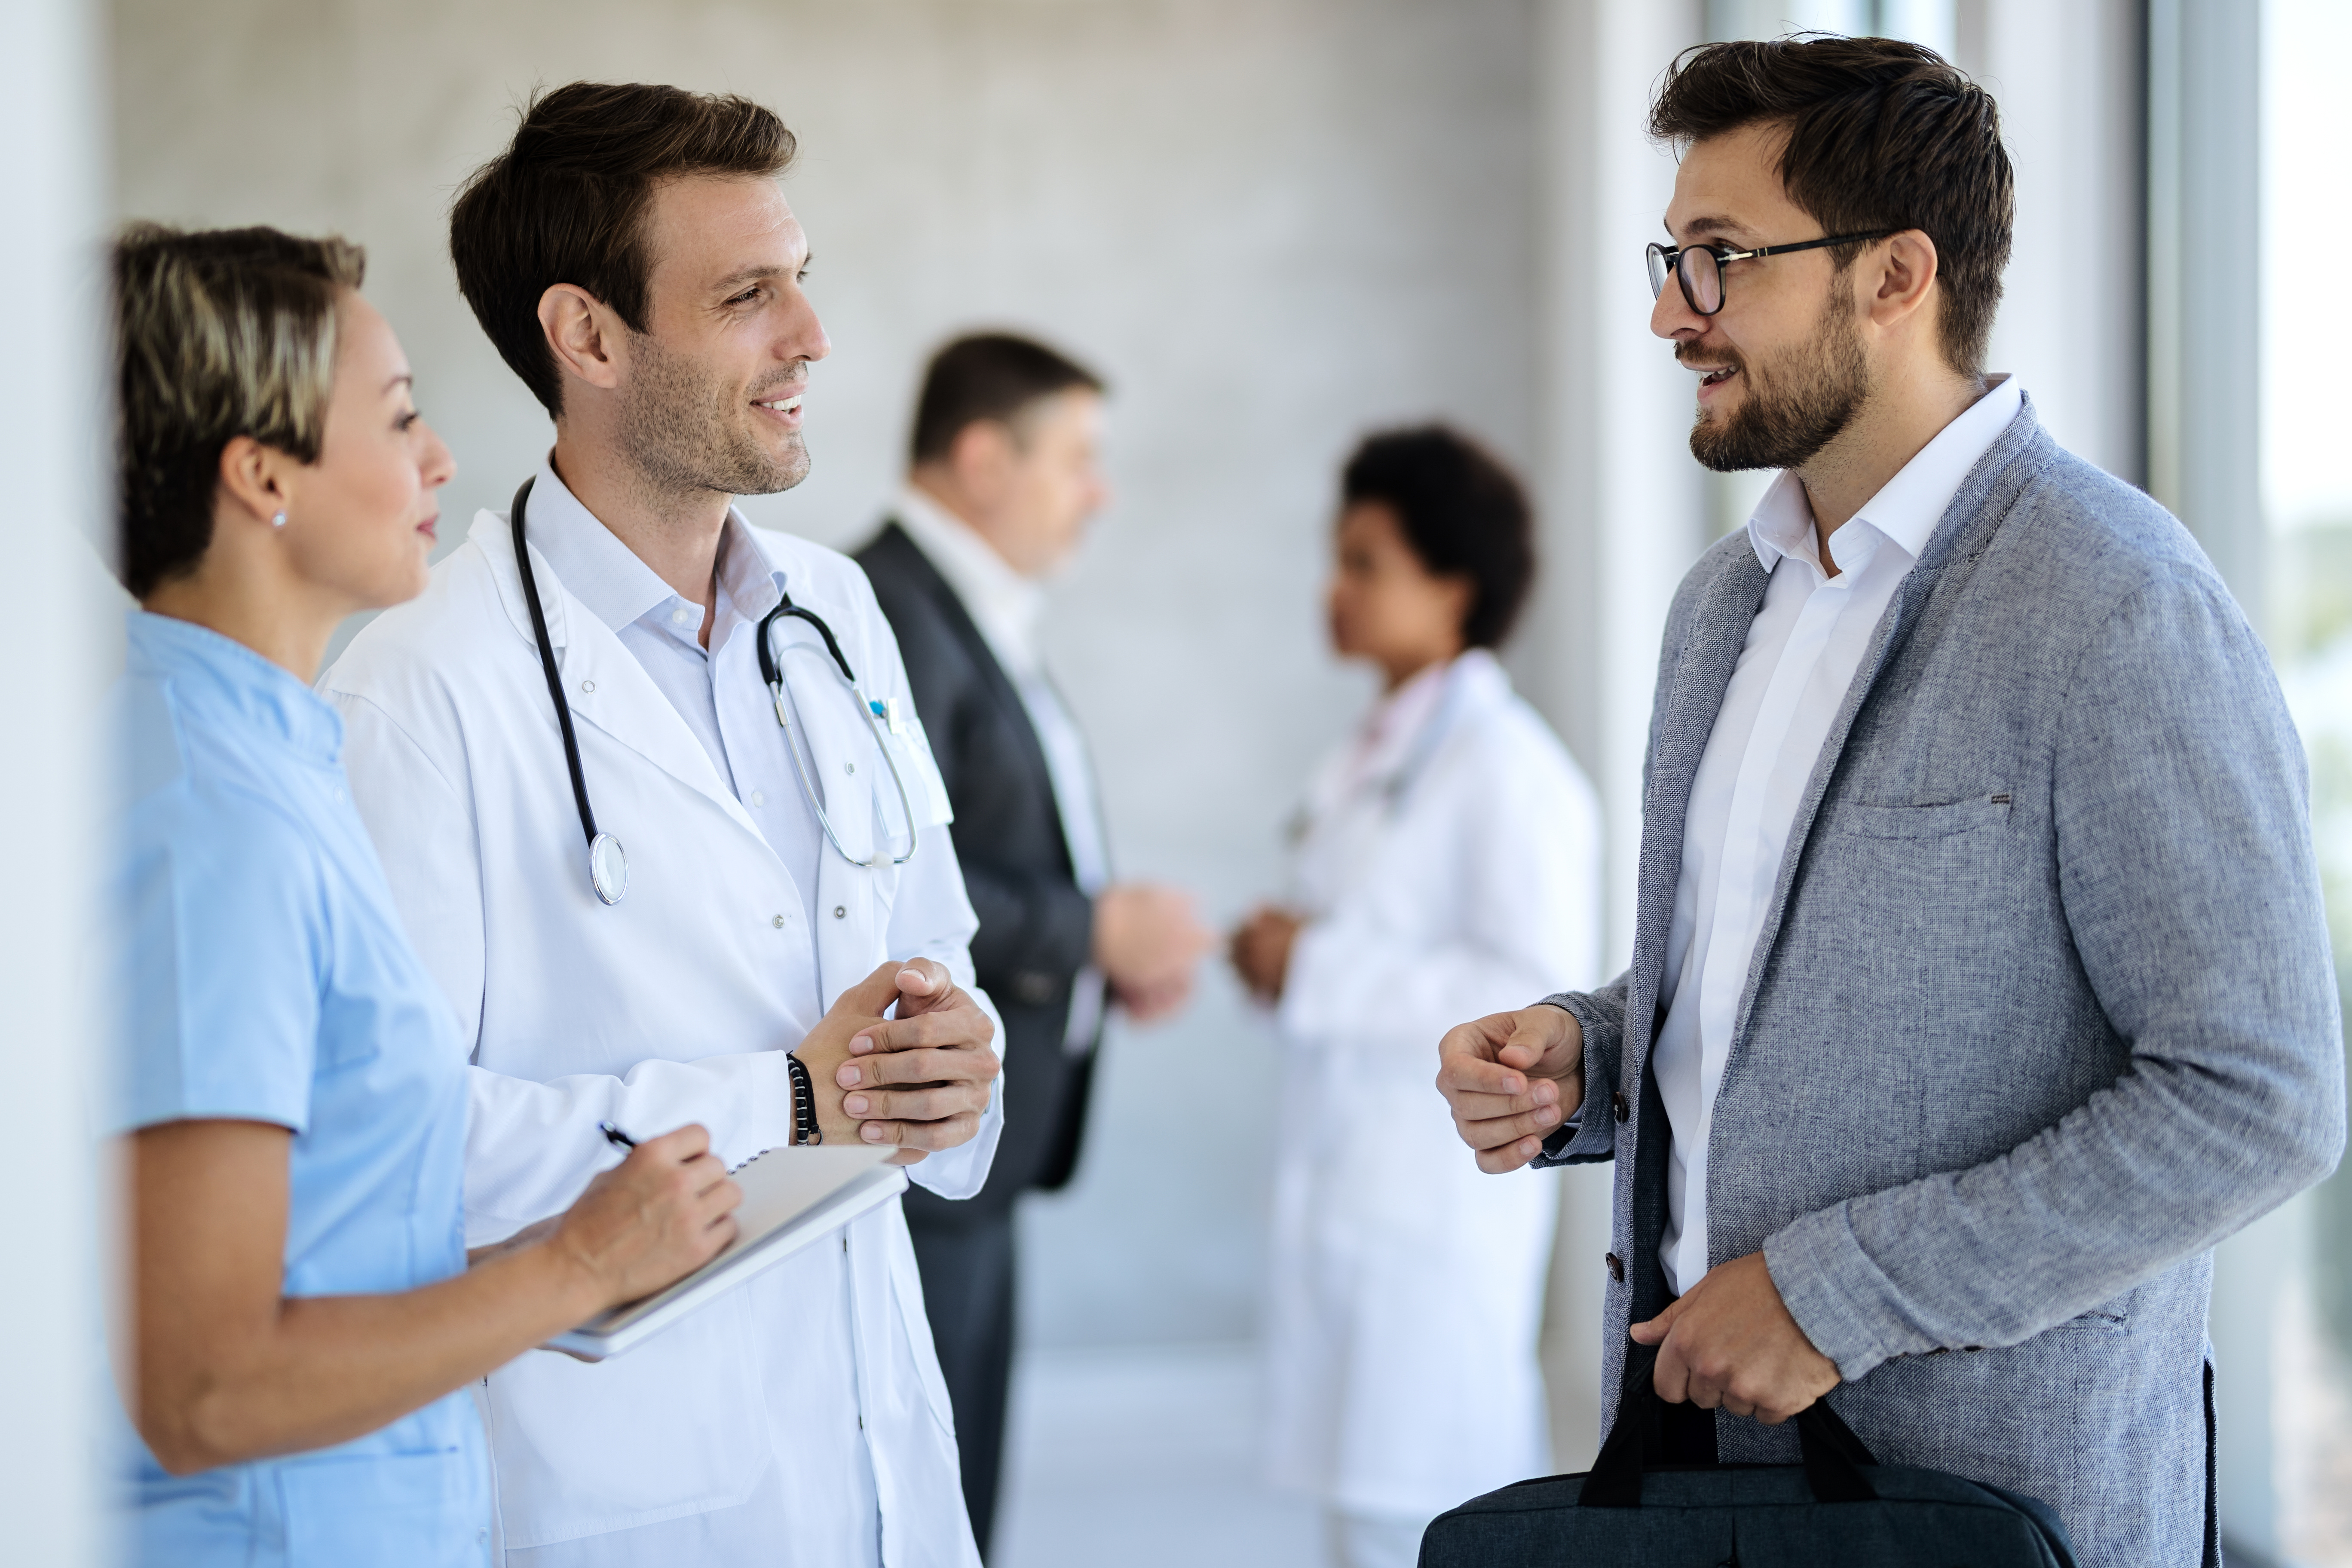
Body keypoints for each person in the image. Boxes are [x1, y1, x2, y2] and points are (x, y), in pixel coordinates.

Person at [1431, 37, 2344, 1568]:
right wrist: (1588, 1057)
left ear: (1896, 276)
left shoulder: (2112, 604)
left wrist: (1834, 1294)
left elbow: (2258, 1095)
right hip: (1690, 1479)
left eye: (1720, 261)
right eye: (1672, 258)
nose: (1670, 313)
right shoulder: (1723, 608)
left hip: (1984, 1509)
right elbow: (1765, 984)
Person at [318, 84, 1003, 1567]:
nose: (812, 336)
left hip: (883, 1450)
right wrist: (791, 1105)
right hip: (620, 1491)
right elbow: (396, 1155)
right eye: (750, 296)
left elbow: (932, 954)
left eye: (801, 280)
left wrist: (962, 1071)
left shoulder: (839, 614)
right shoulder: (417, 690)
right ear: (588, 337)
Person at [106, 224, 744, 1567]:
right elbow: (205, 1389)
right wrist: (576, 1265)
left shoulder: (264, 761)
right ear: (262, 472)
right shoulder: (206, 818)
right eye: (398, 418)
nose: (443, 458)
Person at [852, 332, 1214, 1554]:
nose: (1099, 491)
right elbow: (892, 876)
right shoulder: (886, 610)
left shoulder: (965, 605)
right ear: (979, 457)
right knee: (929, 1503)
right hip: (919, 1148)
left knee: (963, 1492)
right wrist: (1092, 932)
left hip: (979, 1149)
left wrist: (1096, 968)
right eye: (1078, 457)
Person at [1231, 427, 1601, 1568]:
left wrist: (1318, 969)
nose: (1334, 591)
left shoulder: (1510, 771)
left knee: (1422, 1522)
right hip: (1356, 1199)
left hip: (1431, 1223)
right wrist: (1284, 958)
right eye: (1336, 559)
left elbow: (1533, 999)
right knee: (1367, 1519)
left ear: (1456, 586)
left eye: (1366, 565)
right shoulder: (1376, 752)